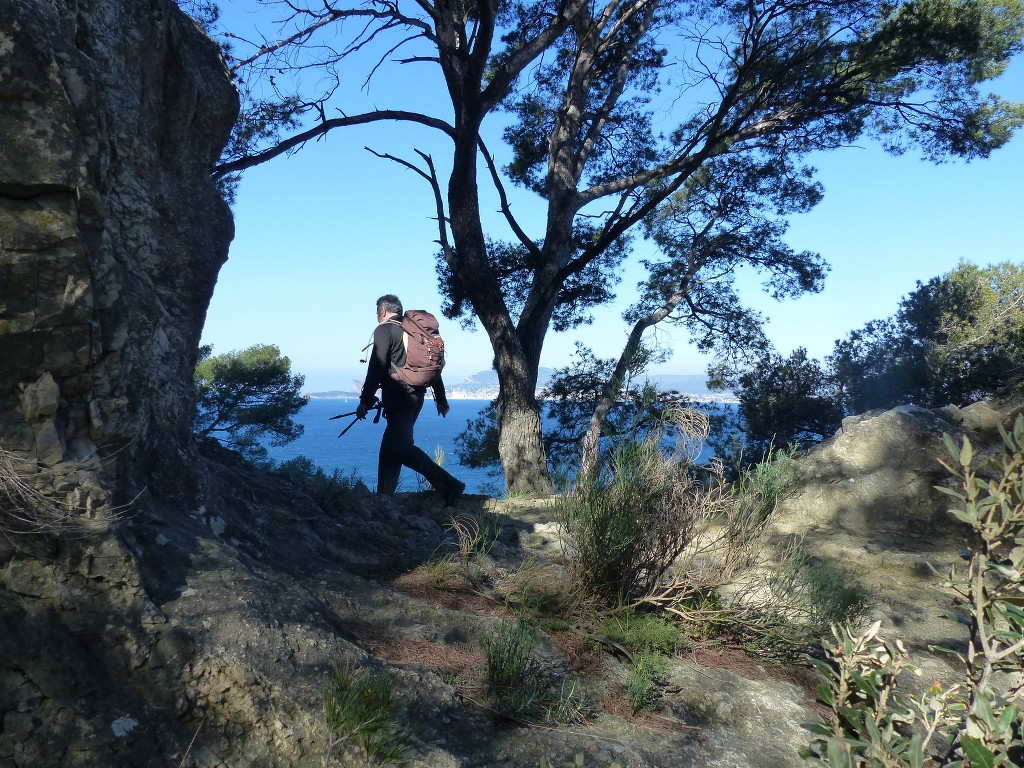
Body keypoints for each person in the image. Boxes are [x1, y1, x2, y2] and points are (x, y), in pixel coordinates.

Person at [356, 294, 466, 504]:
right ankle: (384, 496)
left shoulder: (384, 329)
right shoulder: (415, 333)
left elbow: (376, 367)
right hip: (417, 396)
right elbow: (431, 369)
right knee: (390, 447)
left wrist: (365, 401)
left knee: (400, 447)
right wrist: (441, 399)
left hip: (398, 396)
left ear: (381, 311)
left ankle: (449, 484)